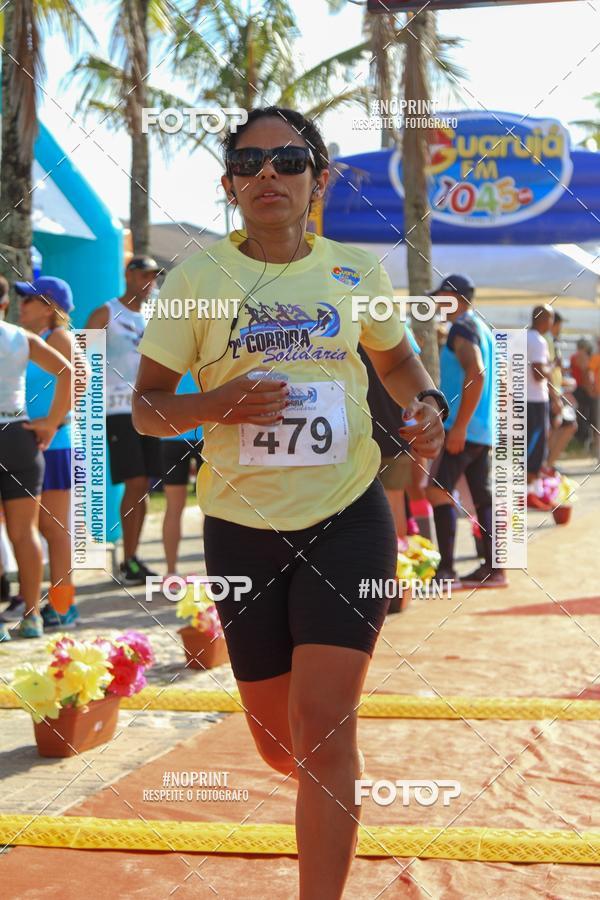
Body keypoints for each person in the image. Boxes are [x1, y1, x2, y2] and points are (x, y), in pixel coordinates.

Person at [132, 106, 446, 900]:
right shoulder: (194, 280)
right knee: (282, 745)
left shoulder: (355, 273)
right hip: (243, 530)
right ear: (230, 183)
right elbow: (146, 409)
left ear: (319, 178)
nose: (268, 173)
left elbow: (401, 361)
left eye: (288, 158)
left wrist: (428, 402)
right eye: (248, 161)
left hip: (348, 515)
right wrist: (218, 405)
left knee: (327, 727)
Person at [85, 257, 162, 585]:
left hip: (149, 408)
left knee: (144, 485)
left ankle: (132, 557)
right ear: (129, 275)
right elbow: (80, 357)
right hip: (117, 410)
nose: (150, 282)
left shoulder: (154, 314)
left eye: (154, 277)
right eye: (144, 274)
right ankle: (127, 560)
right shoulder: (106, 312)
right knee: (134, 482)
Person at [426, 274, 505, 590]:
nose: (435, 304)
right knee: (481, 494)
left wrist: (458, 427)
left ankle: (446, 571)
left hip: (464, 427)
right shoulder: (481, 327)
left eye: (440, 298)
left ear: (453, 297)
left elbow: (477, 373)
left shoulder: (462, 328)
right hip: (481, 427)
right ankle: (493, 568)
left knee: (437, 491)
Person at [0, 309, 72, 640]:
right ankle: (32, 617)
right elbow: (69, 372)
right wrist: (52, 422)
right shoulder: (21, 337)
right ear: (4, 304)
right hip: (17, 434)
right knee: (25, 531)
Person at [12, 276, 80, 629]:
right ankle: (42, 604)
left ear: (50, 307)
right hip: (39, 443)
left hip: (56, 445)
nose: (21, 305)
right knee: (39, 529)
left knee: (54, 530)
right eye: (21, 299)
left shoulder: (60, 338)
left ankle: (64, 604)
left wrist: (52, 423)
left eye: (29, 299)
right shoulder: (37, 340)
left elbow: (80, 388)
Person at [161, 370, 203, 577]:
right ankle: (215, 573)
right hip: (206, 429)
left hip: (172, 431)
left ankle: (170, 572)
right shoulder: (209, 340)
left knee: (173, 508)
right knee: (213, 508)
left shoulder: (170, 347)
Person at [526, 305, 554, 489]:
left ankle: (532, 487)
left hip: (523, 397)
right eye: (551, 319)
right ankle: (531, 488)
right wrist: (551, 368)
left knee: (529, 442)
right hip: (535, 399)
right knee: (536, 444)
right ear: (544, 320)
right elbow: (538, 373)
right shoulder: (538, 341)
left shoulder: (523, 337)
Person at [545, 311, 576, 471]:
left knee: (564, 426)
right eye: (559, 324)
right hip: (551, 393)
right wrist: (555, 395)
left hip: (556, 392)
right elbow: (545, 369)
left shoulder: (552, 341)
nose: (560, 328)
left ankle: (548, 465)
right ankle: (546, 466)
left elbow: (553, 368)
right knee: (556, 427)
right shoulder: (546, 340)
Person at [570, 338, 595, 448]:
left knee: (583, 415)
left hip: (581, 390)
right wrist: (590, 390)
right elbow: (586, 375)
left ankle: (583, 440)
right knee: (587, 416)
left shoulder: (575, 357)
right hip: (584, 390)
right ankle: (584, 440)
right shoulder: (582, 356)